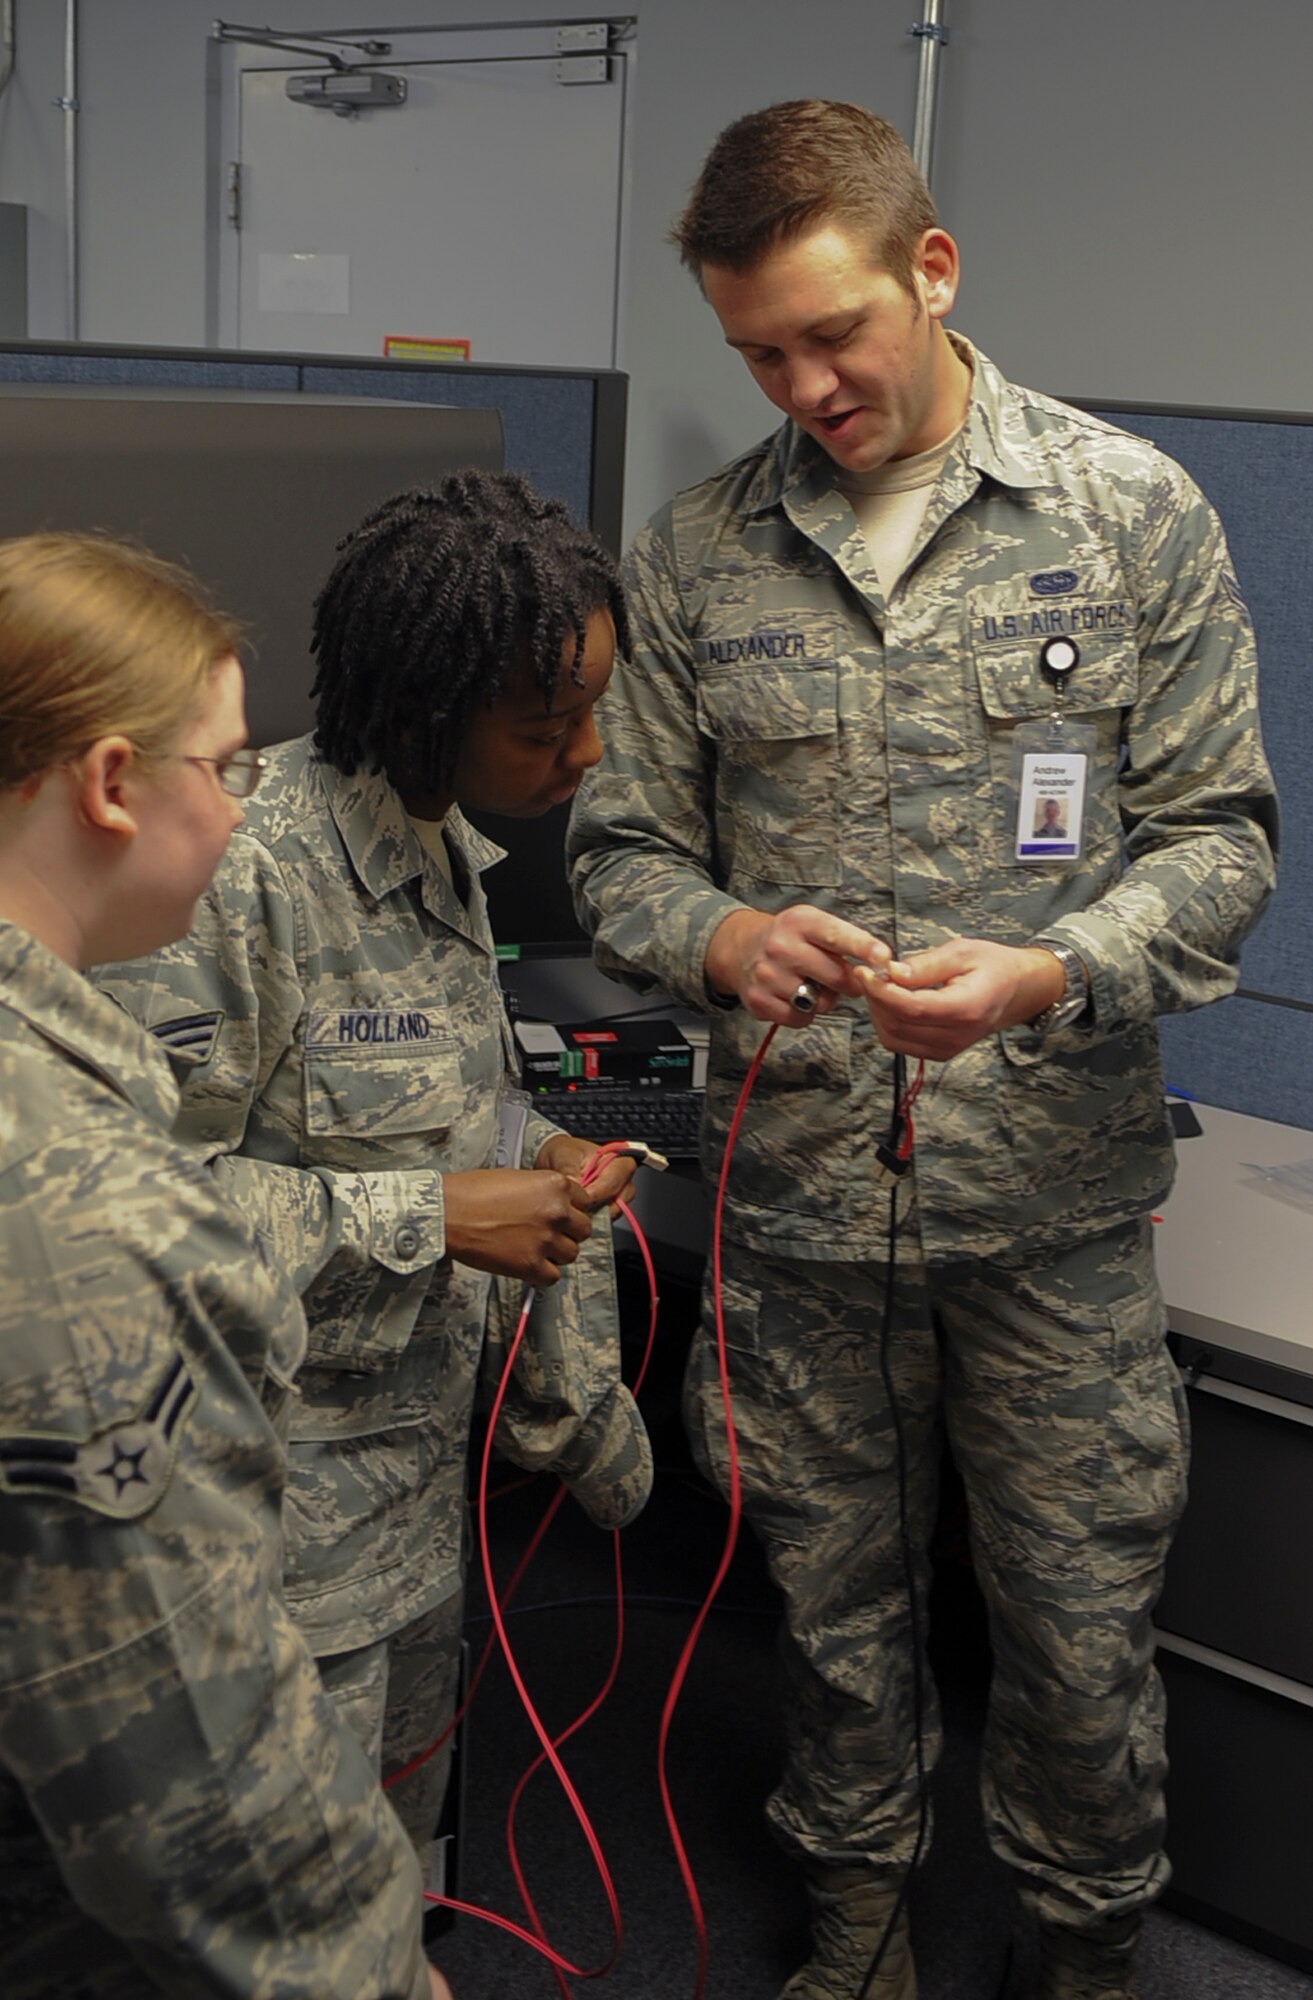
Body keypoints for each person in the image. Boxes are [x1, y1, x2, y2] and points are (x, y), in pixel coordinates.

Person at [568, 100, 1277, 2000]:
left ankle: (1083, 1948)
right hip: (801, 1204)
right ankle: (860, 1921)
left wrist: (1048, 975)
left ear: (930, 272)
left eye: (831, 337)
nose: (802, 388)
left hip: (1046, 1206)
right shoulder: (703, 557)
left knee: (1071, 1617)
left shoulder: (1123, 514)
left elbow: (1222, 840)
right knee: (832, 1609)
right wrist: (713, 928)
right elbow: (617, 844)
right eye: (757, 357)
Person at [97, 472, 651, 1895]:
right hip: (274, 1547)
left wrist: (522, 1149)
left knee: (389, 1889)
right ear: (423, 707)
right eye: (546, 726)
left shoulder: (439, 846)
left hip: (409, 1518)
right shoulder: (245, 871)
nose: (586, 754)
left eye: (594, 709)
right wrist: (436, 1215)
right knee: (287, 1917)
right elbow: (128, 1214)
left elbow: (403, 1102)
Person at [0, 531, 451, 1998]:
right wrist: (382, 1971)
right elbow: (181, 1768)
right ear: (113, 784)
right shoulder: (84, 1212)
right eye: (229, 767)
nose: (242, 805)